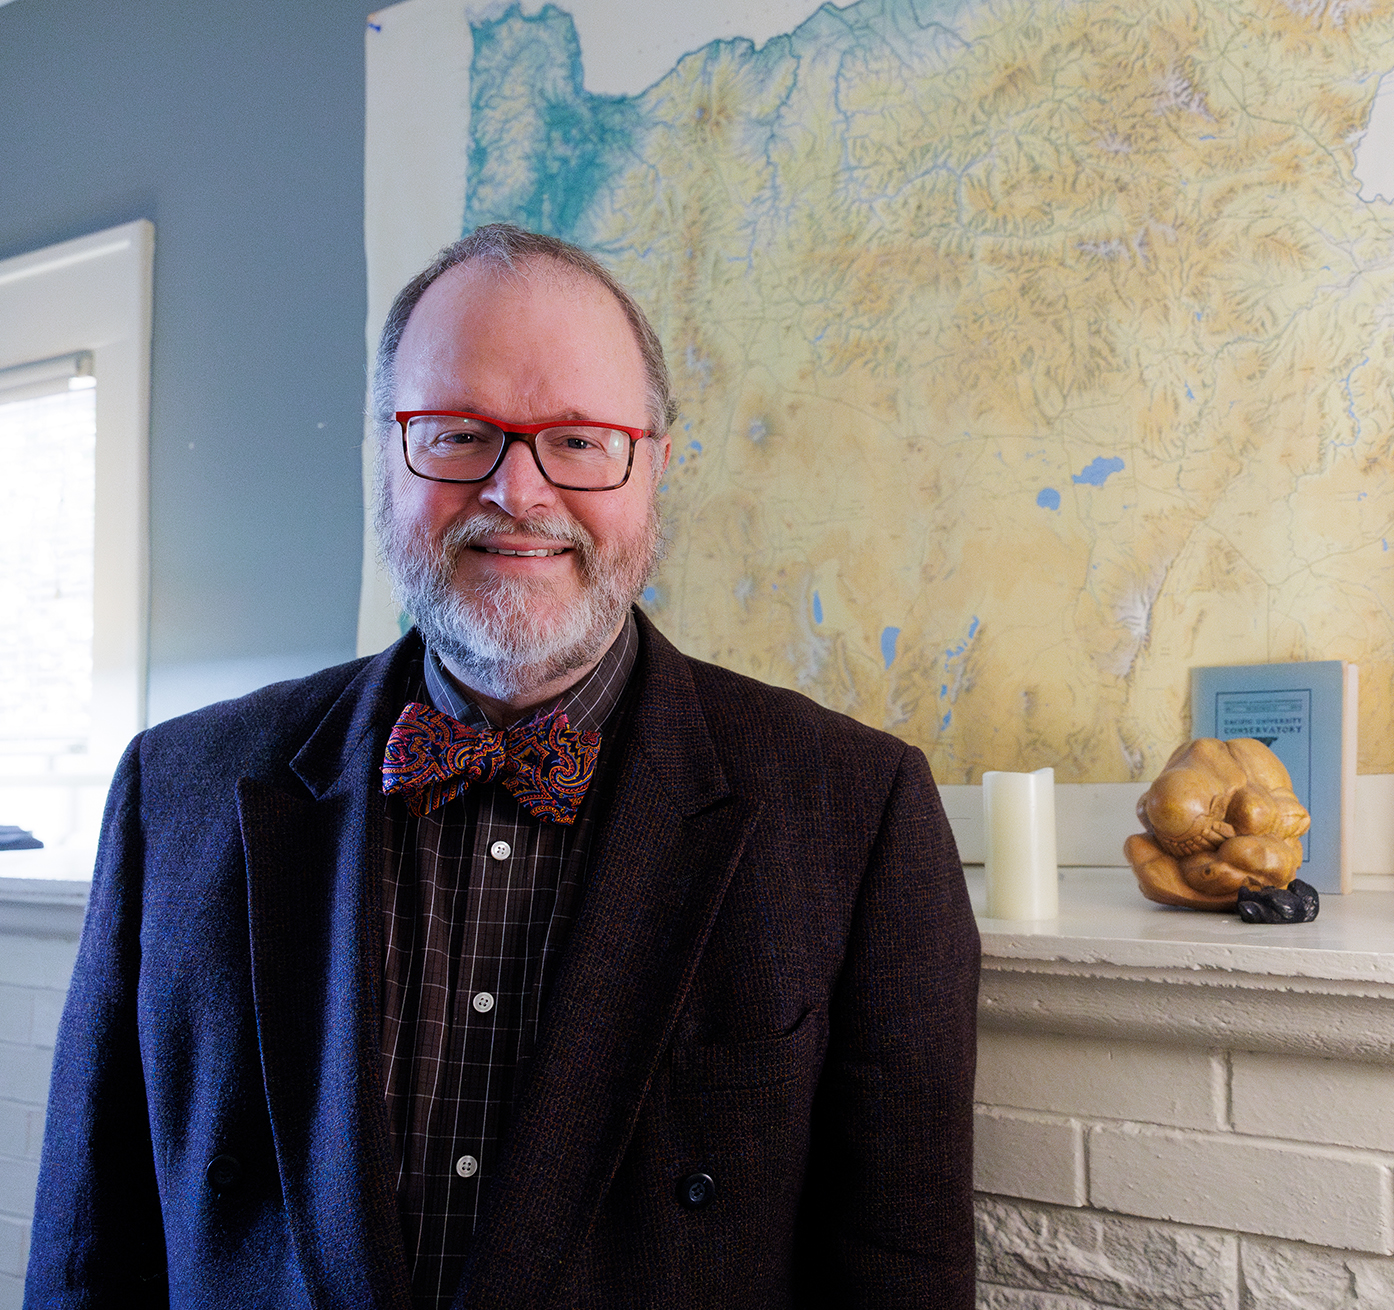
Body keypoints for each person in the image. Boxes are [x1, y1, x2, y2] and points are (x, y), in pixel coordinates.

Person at [28, 225, 981, 1308]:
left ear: (655, 468)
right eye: (459, 432)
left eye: (578, 440)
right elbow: (87, 1251)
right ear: (383, 457)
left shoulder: (858, 812)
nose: (519, 492)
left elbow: (898, 1274)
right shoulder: (177, 788)